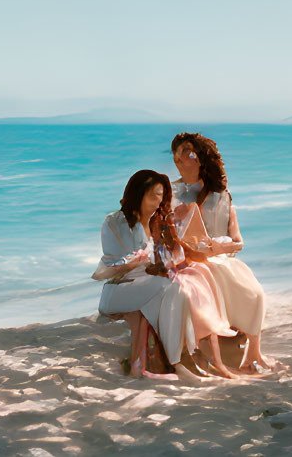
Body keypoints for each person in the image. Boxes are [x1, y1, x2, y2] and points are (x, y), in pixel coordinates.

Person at [92, 169, 237, 380]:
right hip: (119, 288)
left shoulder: (157, 222)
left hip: (149, 285)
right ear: (137, 194)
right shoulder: (114, 222)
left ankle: (173, 362)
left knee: (178, 288)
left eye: (160, 196)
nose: (157, 201)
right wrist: (137, 259)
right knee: (173, 288)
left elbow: (172, 257)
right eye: (152, 195)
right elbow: (111, 264)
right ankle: (176, 363)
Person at [170, 131, 276, 373]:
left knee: (256, 293)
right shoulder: (170, 193)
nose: (192, 155)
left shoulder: (221, 195)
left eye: (194, 150)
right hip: (190, 260)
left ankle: (254, 352)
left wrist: (220, 247)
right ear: (176, 160)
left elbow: (239, 241)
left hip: (221, 258)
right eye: (185, 151)